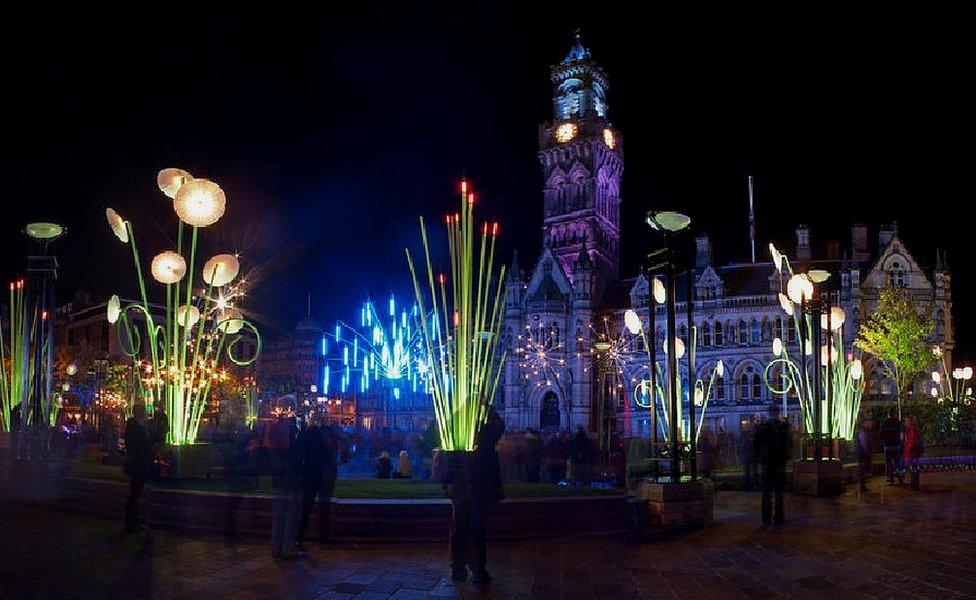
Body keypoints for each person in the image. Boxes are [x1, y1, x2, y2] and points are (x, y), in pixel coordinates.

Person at [448, 405, 504, 584]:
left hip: (462, 489)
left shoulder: (456, 433)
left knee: (460, 528)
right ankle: (477, 569)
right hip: (479, 489)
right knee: (477, 529)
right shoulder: (484, 434)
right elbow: (498, 426)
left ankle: (459, 567)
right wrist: (486, 406)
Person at [267, 416, 303, 558]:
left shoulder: (274, 446)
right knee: (291, 517)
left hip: (279, 483)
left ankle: (276, 547)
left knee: (278, 517)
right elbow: (299, 462)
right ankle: (287, 549)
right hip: (293, 484)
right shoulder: (295, 446)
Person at [753, 406, 791, 526]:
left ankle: (766, 518)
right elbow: (788, 444)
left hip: (767, 463)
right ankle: (778, 517)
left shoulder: (763, 427)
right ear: (778, 413)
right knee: (779, 492)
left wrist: (760, 457)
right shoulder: (783, 427)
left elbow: (756, 445)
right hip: (779, 462)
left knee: (766, 492)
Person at [123, 404, 153, 533]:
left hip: (142, 463)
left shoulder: (141, 425)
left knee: (137, 493)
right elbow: (132, 444)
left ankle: (135, 519)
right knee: (134, 493)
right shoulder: (134, 425)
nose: (145, 413)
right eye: (143, 411)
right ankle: (131, 522)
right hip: (137, 464)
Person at [879, 407, 904, 486]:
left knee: (888, 463)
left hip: (888, 445)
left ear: (888, 414)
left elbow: (880, 435)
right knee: (897, 462)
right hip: (896, 445)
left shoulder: (884, 423)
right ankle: (900, 477)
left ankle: (889, 479)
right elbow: (901, 433)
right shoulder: (897, 422)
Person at [903, 415, 924, 490]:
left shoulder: (912, 430)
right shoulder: (911, 430)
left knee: (913, 469)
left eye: (907, 421)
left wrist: (907, 452)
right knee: (914, 469)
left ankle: (914, 485)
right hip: (912, 453)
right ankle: (914, 484)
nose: (905, 423)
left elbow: (911, 442)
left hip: (912, 453)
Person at [854, 417, 875, 492]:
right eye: (869, 422)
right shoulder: (863, 432)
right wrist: (869, 453)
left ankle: (862, 486)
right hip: (863, 454)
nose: (871, 424)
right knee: (862, 470)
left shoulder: (863, 431)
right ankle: (862, 487)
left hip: (862, 453)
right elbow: (864, 444)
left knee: (863, 470)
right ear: (865, 423)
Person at [740, 418, 757, 491]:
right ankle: (750, 485)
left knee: (751, 471)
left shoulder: (749, 434)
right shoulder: (745, 435)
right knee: (749, 471)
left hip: (750, 454)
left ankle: (752, 485)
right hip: (748, 454)